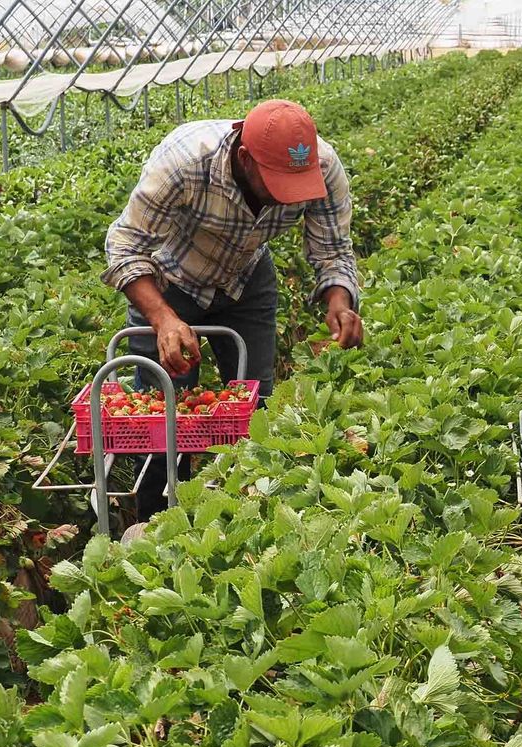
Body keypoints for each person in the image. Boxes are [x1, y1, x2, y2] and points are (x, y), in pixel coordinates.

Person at [102, 98, 363, 519]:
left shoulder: (321, 168)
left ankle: (247, 521)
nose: (287, 195)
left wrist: (339, 300)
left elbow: (333, 249)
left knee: (252, 408)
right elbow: (125, 246)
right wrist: (163, 318)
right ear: (244, 157)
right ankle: (156, 525)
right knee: (160, 415)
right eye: (277, 181)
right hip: (169, 285)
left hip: (247, 282)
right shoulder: (185, 161)